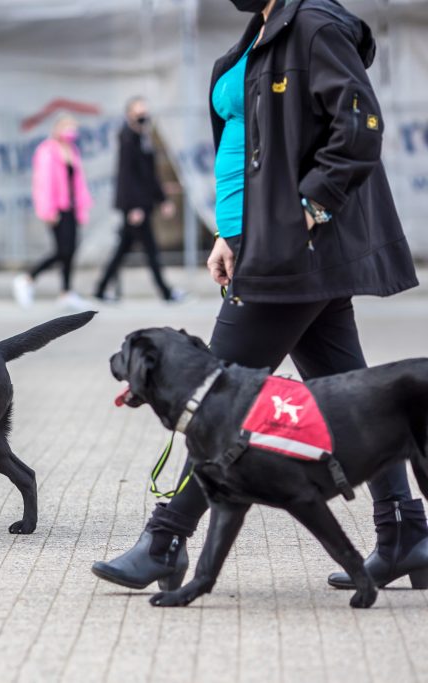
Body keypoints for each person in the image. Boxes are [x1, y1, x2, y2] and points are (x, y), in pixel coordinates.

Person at [92, 0, 424, 593]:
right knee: (353, 384)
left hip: (291, 251)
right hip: (259, 242)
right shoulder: (263, 33)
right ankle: (405, 531)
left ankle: (166, 538)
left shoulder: (314, 25)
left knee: (213, 397)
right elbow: (253, 146)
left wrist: (306, 212)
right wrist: (228, 232)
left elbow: (359, 124)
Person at [94, 97, 183, 303]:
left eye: (145, 112)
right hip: (135, 206)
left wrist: (162, 199)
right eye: (138, 112)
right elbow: (127, 176)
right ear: (129, 115)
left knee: (123, 249)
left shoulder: (144, 139)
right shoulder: (127, 139)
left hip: (143, 204)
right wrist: (133, 206)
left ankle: (100, 289)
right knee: (150, 250)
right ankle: (166, 293)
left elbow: (149, 175)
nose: (143, 116)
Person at [12, 116, 94, 311]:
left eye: (74, 127)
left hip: (72, 207)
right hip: (57, 208)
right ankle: (27, 278)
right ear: (57, 128)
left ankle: (66, 292)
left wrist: (82, 206)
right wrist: (48, 209)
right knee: (62, 251)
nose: (71, 131)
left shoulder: (72, 150)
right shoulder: (47, 150)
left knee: (70, 251)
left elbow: (78, 182)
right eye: (68, 126)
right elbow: (44, 183)